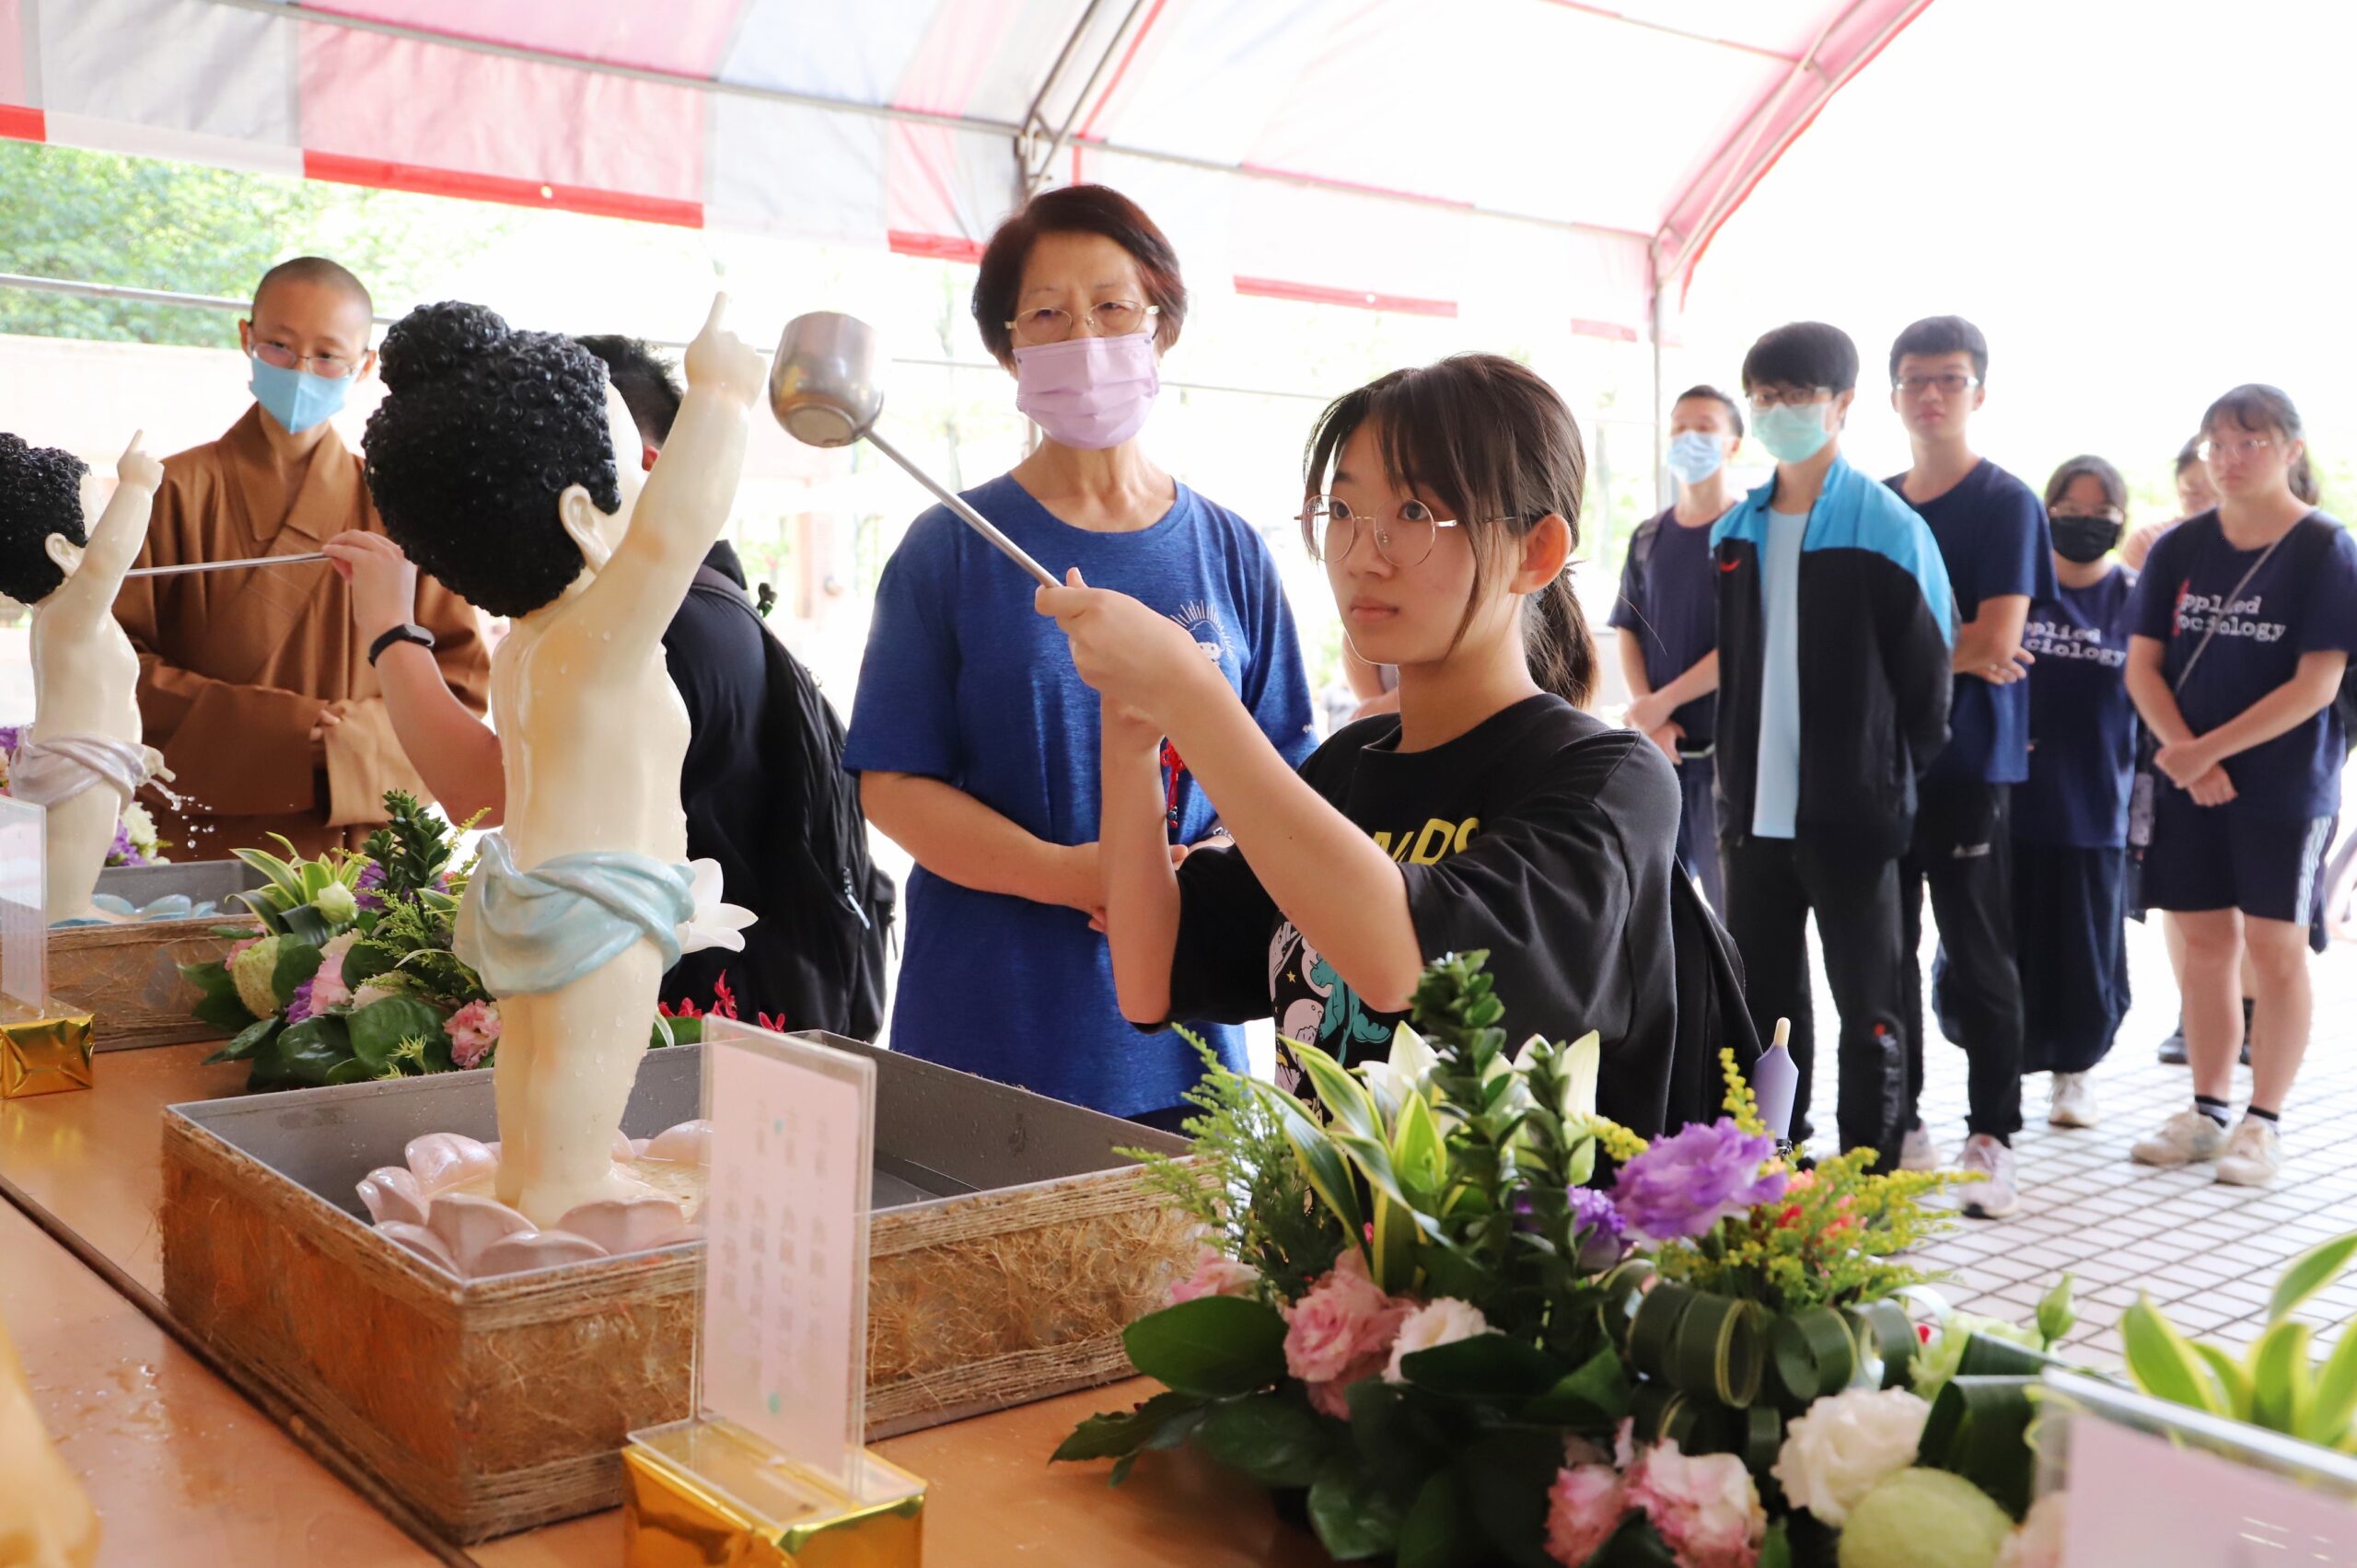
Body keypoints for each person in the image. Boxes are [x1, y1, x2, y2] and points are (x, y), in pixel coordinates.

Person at [1040, 353, 1689, 1136]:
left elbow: (1402, 964)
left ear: (1536, 552)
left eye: (1415, 513)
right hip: (1327, 1257)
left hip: (1521, 1259)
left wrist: (1192, 696)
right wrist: (1132, 732)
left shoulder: (1608, 778)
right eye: (1343, 512)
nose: (1360, 554)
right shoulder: (1350, 765)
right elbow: (1151, 975)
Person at [843, 185, 1314, 1127]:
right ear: (1009, 344)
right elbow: (890, 785)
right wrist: (1081, 875)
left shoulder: (1230, 550)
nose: (1084, 336)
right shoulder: (950, 546)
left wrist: (1196, 868)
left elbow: (1288, 777)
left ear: (1161, 327)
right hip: (988, 1026)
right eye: (1048, 313)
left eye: (1112, 305)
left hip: (1185, 1030)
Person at [329, 334, 893, 1036]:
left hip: (694, 1013)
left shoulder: (663, 625)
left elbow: (485, 790)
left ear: (650, 469)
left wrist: (389, 628)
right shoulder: (672, 612)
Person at [111, 256, 488, 858]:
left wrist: (346, 742)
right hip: (201, 841)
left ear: (363, 366)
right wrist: (289, 736)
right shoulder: (170, 489)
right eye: (281, 347)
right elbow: (109, 665)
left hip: (358, 851)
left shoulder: (403, 510)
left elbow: (460, 687)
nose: (303, 369)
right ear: (247, 339)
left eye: (327, 355)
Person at [1712, 321, 1956, 1175]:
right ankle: (1772, 1162)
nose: (1779, 413)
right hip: (1752, 817)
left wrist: (1879, 779)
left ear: (1844, 405)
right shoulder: (1734, 531)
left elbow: (1930, 690)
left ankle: (1869, 1173)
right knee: (1764, 1007)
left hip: (1854, 821)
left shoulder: (1888, 528)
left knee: (1869, 1005)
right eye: (1766, 398)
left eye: (1798, 397)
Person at [2125, 385, 2357, 1188]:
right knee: (2205, 946)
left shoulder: (2326, 547)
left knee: (2276, 946)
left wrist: (2207, 751)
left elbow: (2317, 685)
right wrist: (2184, 751)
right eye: (2217, 443)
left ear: (2292, 449)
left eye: (2249, 442)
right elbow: (2142, 663)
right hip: (2189, 773)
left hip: (2283, 785)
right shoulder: (2178, 547)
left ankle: (2264, 1122)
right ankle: (2207, 1110)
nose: (2228, 458)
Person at [1882, 315, 2051, 1214]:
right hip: (1875, 769)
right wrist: (1946, 647)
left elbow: (1998, 639)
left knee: (1979, 954)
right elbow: (1844, 640)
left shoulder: (2004, 502)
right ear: (1893, 394)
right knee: (1884, 955)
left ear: (1977, 391)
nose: (1932, 394)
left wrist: (1903, 651)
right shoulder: (1869, 502)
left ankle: (1993, 1133)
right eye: (1915, 380)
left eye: (1949, 378)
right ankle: (1900, 1121)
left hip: (1968, 764)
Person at [1995, 457, 2138, 1131]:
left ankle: (2073, 1075)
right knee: (2000, 946)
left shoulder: (2136, 599)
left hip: (2094, 810)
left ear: (2121, 519)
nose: (2084, 522)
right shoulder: (2018, 591)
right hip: (2008, 807)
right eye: (2069, 509)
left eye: (2100, 511)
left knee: (2083, 955)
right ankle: (1996, 1078)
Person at [1612, 384, 1744, 911]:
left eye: (1706, 427)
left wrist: (1662, 703)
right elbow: (1628, 626)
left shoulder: (1748, 532)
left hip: (1726, 753)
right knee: (1655, 910)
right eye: (1680, 428)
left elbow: (1744, 640)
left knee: (1734, 912)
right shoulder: (1649, 535)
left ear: (1734, 443)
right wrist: (1650, 716)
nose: (1691, 438)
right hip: (1660, 752)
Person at [2119, 436, 2220, 573]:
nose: (2207, 507)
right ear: (2178, 487)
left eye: (2220, 497)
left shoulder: (2252, 546)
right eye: (2194, 494)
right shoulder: (2147, 541)